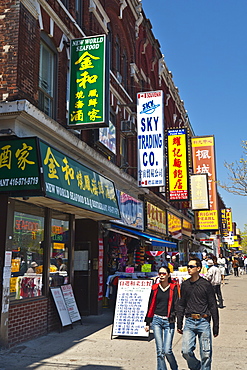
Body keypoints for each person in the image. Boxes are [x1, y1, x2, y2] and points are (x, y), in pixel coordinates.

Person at [177, 257, 219, 370]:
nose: (188, 269)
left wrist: (215, 326)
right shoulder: (185, 285)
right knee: (185, 351)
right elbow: (181, 304)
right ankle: (196, 366)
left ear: (198, 268)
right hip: (189, 322)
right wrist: (179, 323)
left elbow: (213, 305)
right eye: (188, 266)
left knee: (206, 354)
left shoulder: (206, 285)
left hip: (203, 322)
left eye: (191, 266)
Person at [145, 266, 179, 370]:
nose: (161, 275)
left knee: (167, 350)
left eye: (164, 273)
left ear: (168, 274)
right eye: (160, 273)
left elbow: (177, 305)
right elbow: (150, 305)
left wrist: (178, 320)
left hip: (169, 321)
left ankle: (174, 367)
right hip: (156, 320)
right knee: (160, 351)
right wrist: (148, 322)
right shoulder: (155, 288)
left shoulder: (174, 288)